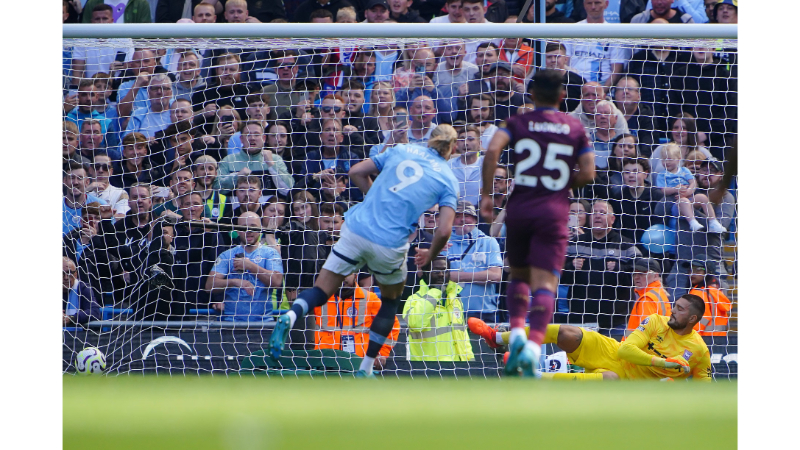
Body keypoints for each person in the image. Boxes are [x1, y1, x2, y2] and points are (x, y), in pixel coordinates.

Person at [270, 124, 460, 378]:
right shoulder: (448, 178)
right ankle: (366, 368)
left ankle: (291, 316)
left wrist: (374, 199)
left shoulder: (402, 149)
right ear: (453, 147)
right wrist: (430, 254)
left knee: (321, 289)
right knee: (391, 302)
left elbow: (356, 171)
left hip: (356, 228)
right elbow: (445, 230)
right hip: (390, 242)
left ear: (429, 140)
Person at [478, 69, 596, 376]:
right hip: (553, 212)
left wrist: (488, 195)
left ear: (531, 95)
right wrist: (559, 181)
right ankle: (532, 349)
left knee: (518, 275)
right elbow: (588, 174)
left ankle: (516, 334)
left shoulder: (517, 122)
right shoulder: (573, 126)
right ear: (562, 96)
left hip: (520, 207)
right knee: (546, 283)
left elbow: (492, 150)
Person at [469, 294, 712, 381]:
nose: (673, 311)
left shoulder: (699, 350)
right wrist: (665, 363)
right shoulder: (657, 321)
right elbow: (625, 351)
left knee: (610, 379)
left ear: (692, 319)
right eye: (675, 306)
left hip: (632, 381)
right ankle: (497, 337)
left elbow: (704, 391)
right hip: (612, 351)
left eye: (680, 309)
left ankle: (531, 376)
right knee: (567, 332)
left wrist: (673, 380)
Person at [562, 200, 640, 332]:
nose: (597, 216)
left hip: (616, 321)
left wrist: (619, 269)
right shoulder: (574, 244)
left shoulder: (626, 244)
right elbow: (559, 277)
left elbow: (638, 277)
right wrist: (571, 266)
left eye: (602, 213)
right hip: (580, 319)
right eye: (594, 213)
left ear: (612, 219)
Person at [206, 211, 284, 321]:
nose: (249, 231)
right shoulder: (227, 255)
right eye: (244, 227)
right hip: (231, 323)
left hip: (263, 323)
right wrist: (235, 282)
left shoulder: (270, 253)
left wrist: (250, 266)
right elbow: (209, 285)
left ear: (261, 228)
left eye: (253, 226)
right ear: (237, 230)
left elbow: (276, 281)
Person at [311, 272, 400, 366]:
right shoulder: (320, 298)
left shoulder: (369, 299)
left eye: (346, 272)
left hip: (359, 364)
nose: (342, 277)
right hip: (325, 363)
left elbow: (392, 324)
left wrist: (382, 353)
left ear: (356, 274)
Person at [402, 255, 474, 361]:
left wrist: (470, 358)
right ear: (426, 273)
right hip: (426, 369)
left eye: (444, 271)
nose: (441, 274)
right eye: (436, 271)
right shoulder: (413, 300)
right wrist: (435, 292)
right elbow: (416, 324)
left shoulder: (455, 300)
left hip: (457, 368)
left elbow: (463, 336)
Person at [564, 0, 632, 87]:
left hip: (603, 89)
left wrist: (602, 93)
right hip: (574, 87)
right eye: (589, 3)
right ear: (584, 5)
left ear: (606, 4)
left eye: (597, 3)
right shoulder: (571, 30)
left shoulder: (614, 33)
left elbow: (616, 70)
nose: (593, 7)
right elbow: (565, 63)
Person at [217, 121, 294, 195]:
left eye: (256, 134)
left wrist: (271, 165)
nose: (252, 138)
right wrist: (236, 177)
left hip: (269, 208)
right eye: (248, 135)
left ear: (264, 138)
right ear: (241, 139)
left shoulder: (275, 159)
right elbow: (215, 189)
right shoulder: (228, 160)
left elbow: (289, 189)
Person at [608, 158, 664, 243]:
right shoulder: (619, 196)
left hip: (651, 245)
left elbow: (660, 225)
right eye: (627, 172)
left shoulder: (656, 195)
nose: (631, 175)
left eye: (636, 171)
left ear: (645, 174)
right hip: (626, 246)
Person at [613, 76, 659, 153]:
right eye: (621, 89)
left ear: (639, 96)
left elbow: (648, 147)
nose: (626, 91)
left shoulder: (647, 116)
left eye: (630, 89)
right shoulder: (608, 112)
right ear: (615, 95)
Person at [687, 258, 731, 336]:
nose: (692, 273)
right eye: (691, 269)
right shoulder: (716, 292)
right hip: (720, 341)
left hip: (702, 342)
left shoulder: (698, 294)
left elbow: (697, 323)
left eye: (698, 269)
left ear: (708, 272)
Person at [63, 161, 108, 235]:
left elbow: (111, 238)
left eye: (80, 178)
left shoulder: (101, 205)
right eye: (72, 178)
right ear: (65, 181)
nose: (76, 182)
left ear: (87, 182)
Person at [124, 74, 175, 139]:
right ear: (148, 93)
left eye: (164, 88)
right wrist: (144, 143)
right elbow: (125, 144)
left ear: (170, 93)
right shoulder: (138, 115)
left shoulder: (178, 114)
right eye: (155, 88)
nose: (159, 92)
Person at [628, 258, 671, 333]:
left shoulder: (647, 299)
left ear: (655, 276)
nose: (636, 277)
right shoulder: (658, 293)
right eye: (635, 273)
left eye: (642, 274)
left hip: (637, 344)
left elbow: (645, 333)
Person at [542, 42, 585, 113]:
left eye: (557, 57)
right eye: (549, 57)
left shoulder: (579, 81)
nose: (553, 60)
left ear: (566, 59)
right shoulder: (537, 81)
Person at [448, 126, 484, 207]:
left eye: (470, 139)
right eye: (462, 139)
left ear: (479, 144)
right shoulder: (448, 166)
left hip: (482, 213)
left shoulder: (488, 164)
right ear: (457, 144)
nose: (465, 143)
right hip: (454, 213)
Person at [87, 154, 131, 219]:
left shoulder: (120, 193)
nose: (101, 171)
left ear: (111, 172)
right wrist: (86, 190)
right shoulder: (83, 192)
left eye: (105, 167)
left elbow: (122, 218)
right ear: (90, 170)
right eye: (97, 167)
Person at [63, 256, 102, 326]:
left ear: (76, 274)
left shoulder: (83, 288)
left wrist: (71, 318)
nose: (66, 277)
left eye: (70, 273)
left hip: (78, 334)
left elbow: (95, 312)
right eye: (62, 274)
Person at [81, 0, 152, 23]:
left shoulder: (141, 4)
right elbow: (84, 33)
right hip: (95, 50)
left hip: (132, 54)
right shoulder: (91, 3)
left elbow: (145, 37)